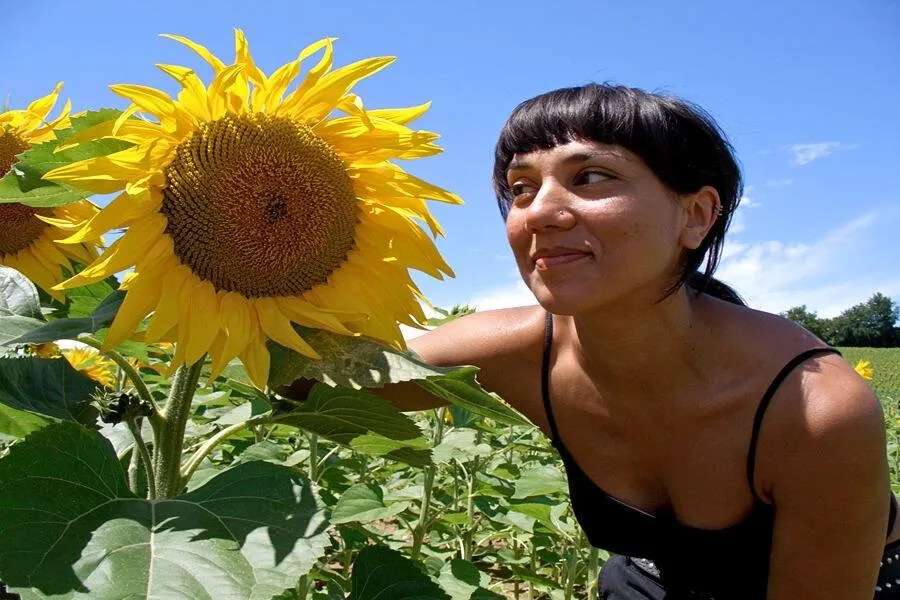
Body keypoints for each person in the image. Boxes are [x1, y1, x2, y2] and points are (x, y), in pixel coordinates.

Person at [285, 83, 899, 599]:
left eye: (592, 176)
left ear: (696, 216)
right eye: (520, 188)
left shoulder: (815, 410)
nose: (538, 212)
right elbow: (308, 381)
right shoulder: (516, 350)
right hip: (650, 582)